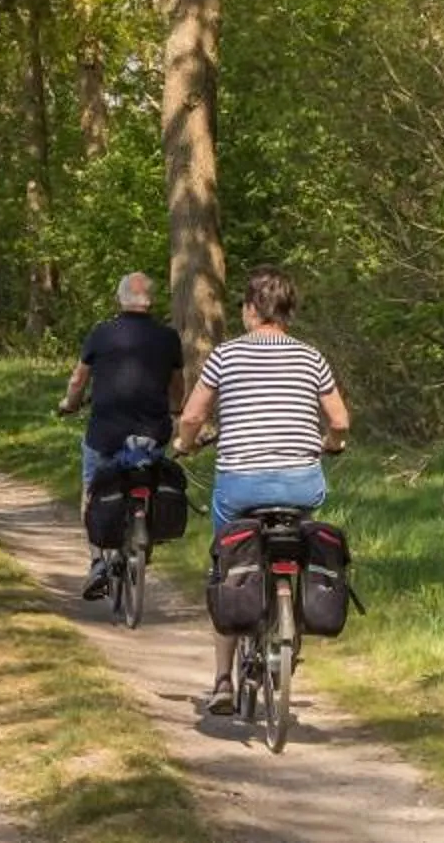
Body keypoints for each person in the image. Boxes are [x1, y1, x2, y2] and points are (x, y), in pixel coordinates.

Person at [171, 265, 351, 715]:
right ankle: (290, 628)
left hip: (240, 488)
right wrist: (333, 445)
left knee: (227, 566)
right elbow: (340, 421)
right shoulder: (311, 357)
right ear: (287, 312)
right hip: (300, 485)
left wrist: (184, 444)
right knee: (299, 542)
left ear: (251, 310)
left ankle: (222, 681)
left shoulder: (225, 357)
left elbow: (192, 417)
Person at [55, 272, 183, 600]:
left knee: (93, 485)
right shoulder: (168, 338)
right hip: (153, 433)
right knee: (150, 475)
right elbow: (177, 385)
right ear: (151, 301)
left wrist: (69, 405)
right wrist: (176, 409)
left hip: (106, 433)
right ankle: (146, 531)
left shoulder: (101, 334)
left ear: (120, 298)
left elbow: (78, 380)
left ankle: (97, 560)